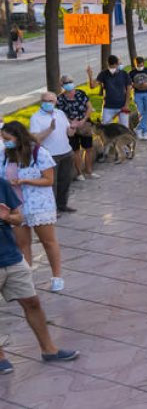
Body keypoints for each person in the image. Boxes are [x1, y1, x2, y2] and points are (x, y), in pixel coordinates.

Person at [0, 175, 79, 374]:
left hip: (11, 257)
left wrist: (8, 217)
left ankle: (49, 349)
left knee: (32, 302)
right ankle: (0, 356)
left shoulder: (1, 184)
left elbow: (19, 218)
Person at [2, 122, 66, 292]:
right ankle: (26, 279)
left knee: (48, 241)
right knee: (22, 244)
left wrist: (25, 181)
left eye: (7, 138)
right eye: (3, 138)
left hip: (39, 205)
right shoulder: (5, 155)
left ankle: (57, 276)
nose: (4, 141)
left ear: (18, 137)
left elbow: (49, 180)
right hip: (16, 207)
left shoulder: (38, 152)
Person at [29, 93, 75, 214]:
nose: (49, 103)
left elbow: (69, 133)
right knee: (51, 184)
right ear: (41, 101)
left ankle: (62, 205)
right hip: (50, 156)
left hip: (66, 152)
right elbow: (36, 139)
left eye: (51, 101)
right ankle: (52, 209)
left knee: (65, 181)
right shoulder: (36, 117)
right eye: (46, 100)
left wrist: (73, 128)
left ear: (56, 102)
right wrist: (50, 129)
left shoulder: (60, 113)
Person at [57, 75, 98, 181]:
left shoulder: (80, 93)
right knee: (76, 150)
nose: (69, 84)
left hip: (85, 124)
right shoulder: (60, 98)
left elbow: (89, 107)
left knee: (89, 148)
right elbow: (61, 114)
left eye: (70, 81)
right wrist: (72, 123)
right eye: (66, 82)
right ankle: (79, 173)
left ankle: (89, 171)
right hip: (71, 127)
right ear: (62, 85)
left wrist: (83, 120)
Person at [89, 56, 132, 126]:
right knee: (105, 128)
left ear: (117, 64)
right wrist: (90, 76)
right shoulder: (103, 74)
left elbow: (129, 90)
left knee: (124, 128)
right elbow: (93, 86)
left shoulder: (124, 74)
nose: (112, 69)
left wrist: (126, 105)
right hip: (108, 106)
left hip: (122, 106)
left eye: (114, 67)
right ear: (108, 64)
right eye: (110, 67)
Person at [129, 56, 147, 140]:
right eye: (138, 65)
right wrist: (134, 85)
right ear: (135, 64)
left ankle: (138, 128)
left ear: (143, 64)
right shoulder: (131, 73)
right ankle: (144, 131)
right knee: (141, 113)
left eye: (141, 65)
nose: (140, 67)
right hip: (137, 94)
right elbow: (128, 84)